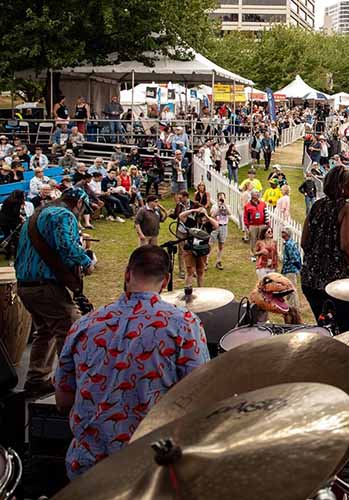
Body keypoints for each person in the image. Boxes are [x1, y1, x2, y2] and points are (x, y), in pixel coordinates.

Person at [55, 245, 208, 479]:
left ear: (127, 274)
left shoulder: (84, 325)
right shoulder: (184, 324)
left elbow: (63, 400)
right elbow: (200, 395)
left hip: (87, 471)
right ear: (166, 281)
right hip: (150, 467)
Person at [15, 188, 96, 396]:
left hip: (26, 285)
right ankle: (69, 386)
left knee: (46, 331)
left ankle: (37, 379)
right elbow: (67, 247)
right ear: (79, 203)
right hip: (45, 286)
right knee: (71, 330)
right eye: (83, 209)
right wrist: (87, 262)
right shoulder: (63, 214)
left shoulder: (37, 215)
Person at [301, 167, 349, 331]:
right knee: (346, 334)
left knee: (326, 331)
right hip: (340, 287)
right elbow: (347, 246)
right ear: (341, 186)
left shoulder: (316, 206)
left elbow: (304, 242)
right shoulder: (347, 209)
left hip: (311, 282)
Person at [178, 204, 218, 288]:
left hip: (202, 250)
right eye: (201, 216)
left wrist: (207, 215)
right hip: (190, 249)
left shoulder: (208, 225)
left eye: (203, 216)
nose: (202, 218)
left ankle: (201, 289)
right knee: (190, 271)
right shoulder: (192, 222)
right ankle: (188, 289)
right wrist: (194, 210)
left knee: (200, 271)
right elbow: (181, 216)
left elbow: (216, 225)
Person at [280, 228, 302, 310]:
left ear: (287, 234)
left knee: (290, 290)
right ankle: (293, 307)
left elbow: (294, 258)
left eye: (283, 232)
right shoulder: (290, 243)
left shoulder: (289, 244)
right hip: (290, 269)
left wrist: (299, 267)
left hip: (290, 270)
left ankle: (294, 308)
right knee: (290, 289)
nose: (282, 233)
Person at [243, 191, 268, 262]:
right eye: (255, 195)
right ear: (252, 196)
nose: (256, 196)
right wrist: (248, 226)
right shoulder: (247, 206)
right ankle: (253, 255)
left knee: (261, 240)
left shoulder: (263, 204)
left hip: (262, 225)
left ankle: (261, 254)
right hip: (253, 225)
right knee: (253, 240)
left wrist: (267, 224)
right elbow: (245, 217)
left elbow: (266, 214)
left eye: (257, 195)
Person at [211, 192, 231, 270]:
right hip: (216, 226)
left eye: (223, 198)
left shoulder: (227, 206)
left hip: (224, 226)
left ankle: (218, 261)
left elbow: (229, 213)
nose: (221, 199)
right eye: (220, 198)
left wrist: (224, 204)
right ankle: (205, 262)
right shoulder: (214, 206)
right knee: (210, 244)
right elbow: (213, 215)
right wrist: (219, 208)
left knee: (221, 245)